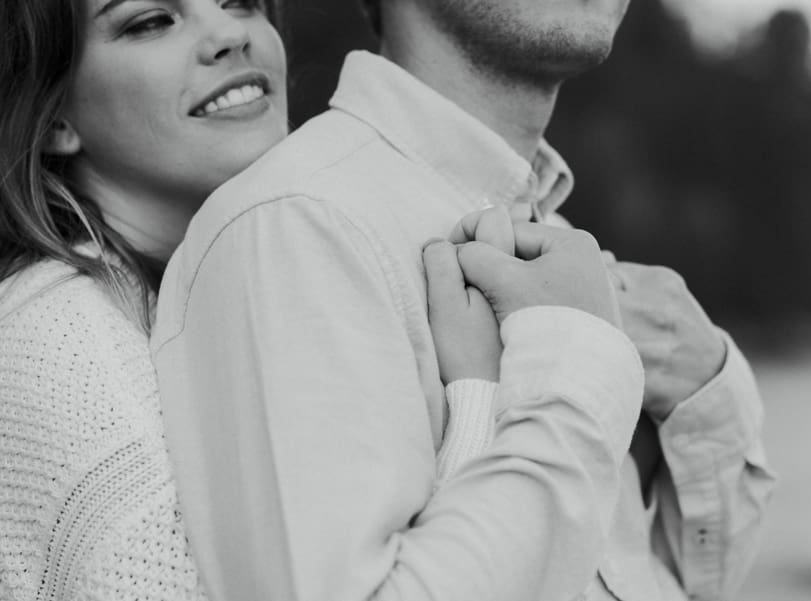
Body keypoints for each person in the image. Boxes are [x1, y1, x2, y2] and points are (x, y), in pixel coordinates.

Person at [154, 2, 775, 601]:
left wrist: (709, 390)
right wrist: (579, 363)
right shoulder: (297, 227)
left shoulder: (557, 242)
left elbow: (685, 582)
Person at [0, 0, 288, 598]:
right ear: (55, 119)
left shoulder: (240, 295)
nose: (229, 33)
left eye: (239, 1)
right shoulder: (61, 344)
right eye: (151, 21)